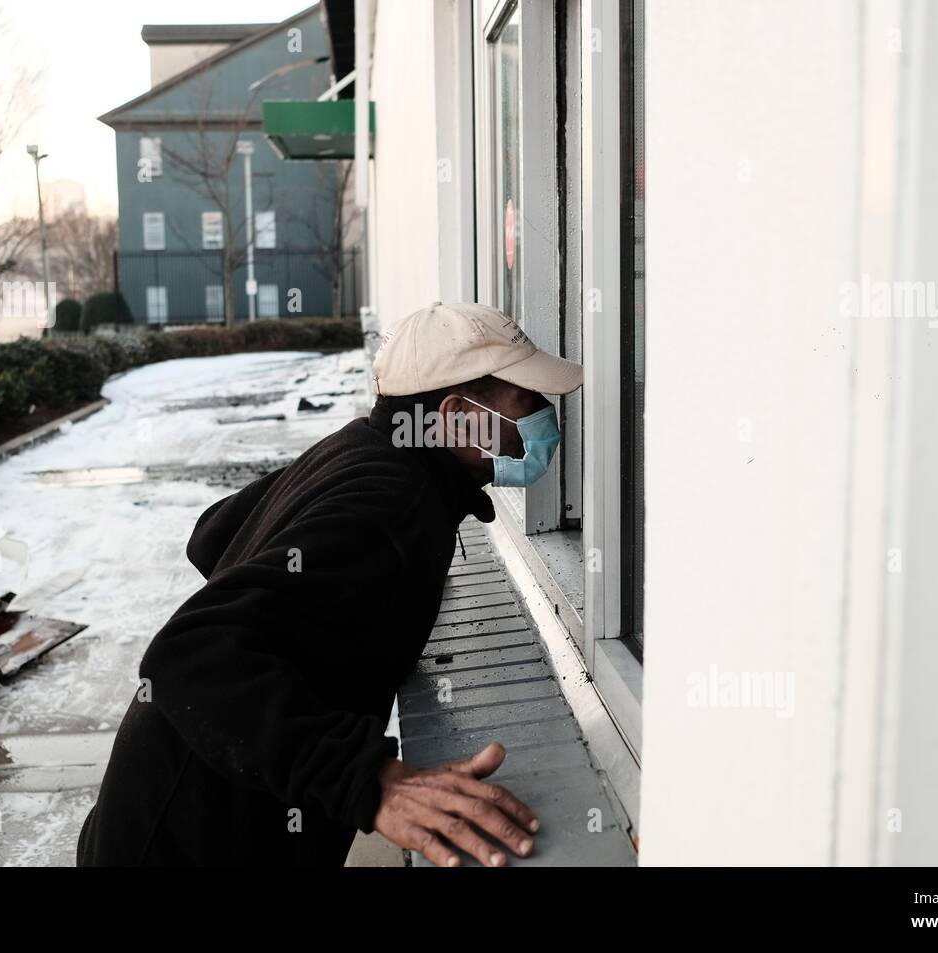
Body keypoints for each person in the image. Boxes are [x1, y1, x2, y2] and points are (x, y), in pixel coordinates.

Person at [76, 302, 584, 866]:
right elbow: (189, 652)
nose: (543, 415)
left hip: (149, 819)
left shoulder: (366, 449)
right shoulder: (393, 506)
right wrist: (371, 781)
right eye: (526, 398)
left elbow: (214, 532)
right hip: (187, 845)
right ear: (457, 417)